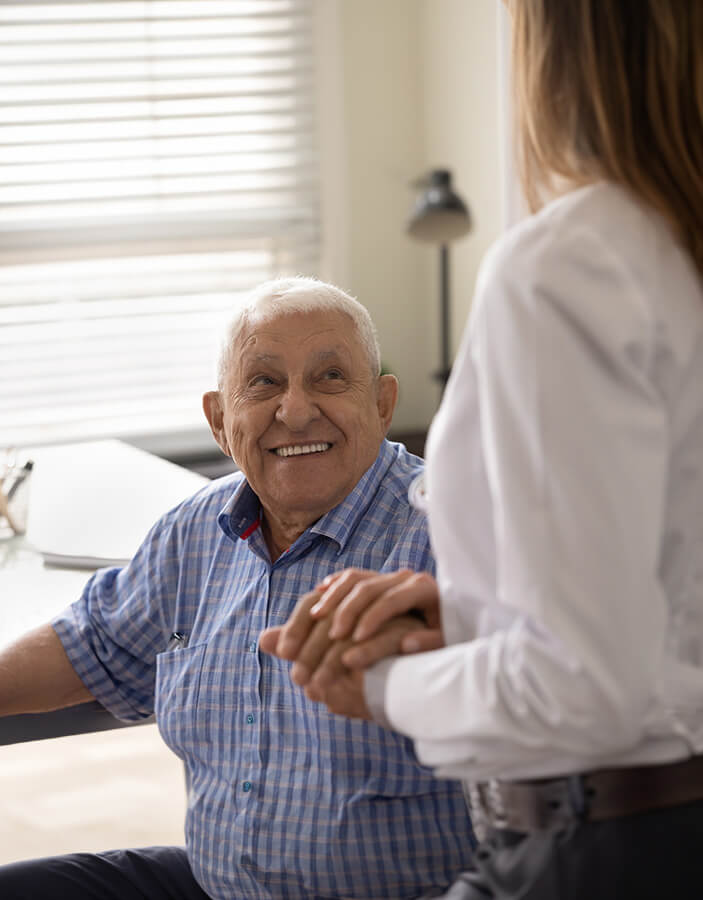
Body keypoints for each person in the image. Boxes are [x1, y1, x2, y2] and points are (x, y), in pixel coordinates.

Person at [262, 3, 703, 898]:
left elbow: (585, 687)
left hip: (605, 850)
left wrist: (379, 688)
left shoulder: (570, 265)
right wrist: (474, 620)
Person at [0, 277, 475, 899]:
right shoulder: (194, 531)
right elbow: (94, 643)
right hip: (217, 885)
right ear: (220, 419)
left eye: (331, 377)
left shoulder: (460, 535)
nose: (297, 410)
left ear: (383, 404)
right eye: (264, 382)